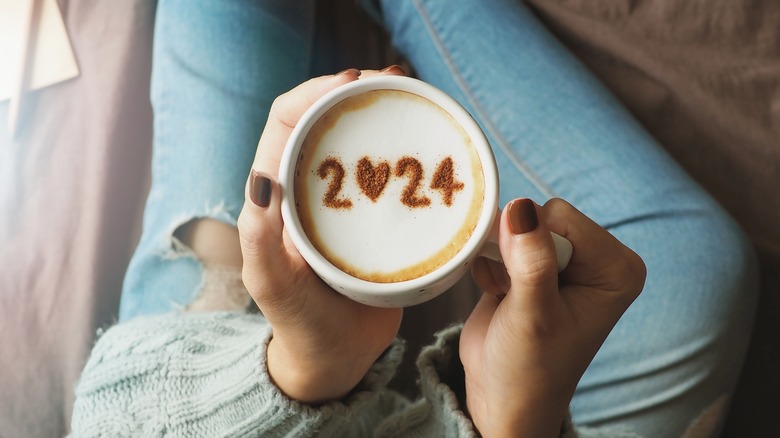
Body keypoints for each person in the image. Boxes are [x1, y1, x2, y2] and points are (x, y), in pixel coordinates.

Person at [69, 1, 758, 437]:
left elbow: (111, 419)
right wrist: (509, 421)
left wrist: (311, 364)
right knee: (697, 269)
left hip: (214, 389)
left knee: (219, 245)